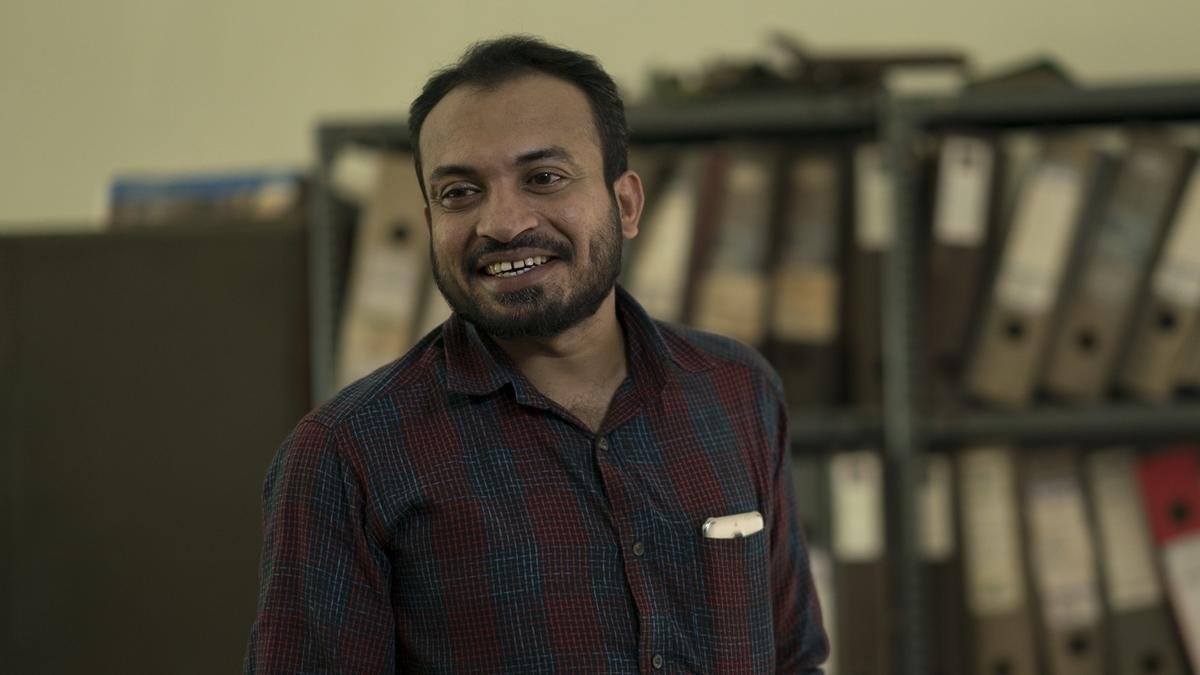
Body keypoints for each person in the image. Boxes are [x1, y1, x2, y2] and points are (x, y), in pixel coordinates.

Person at [245, 35, 828, 673]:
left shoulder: (736, 389)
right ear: (431, 223)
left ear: (626, 204)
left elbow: (793, 658)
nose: (503, 223)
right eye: (460, 192)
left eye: (543, 178)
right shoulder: (346, 456)